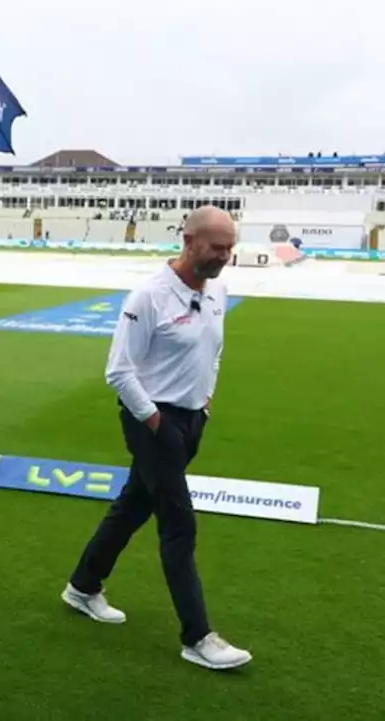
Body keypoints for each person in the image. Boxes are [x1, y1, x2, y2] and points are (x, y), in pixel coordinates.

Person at [60, 205, 252, 671]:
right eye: (216, 247)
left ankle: (82, 587)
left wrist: (205, 402)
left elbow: (214, 351)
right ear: (188, 242)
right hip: (152, 420)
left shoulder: (218, 291)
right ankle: (198, 635)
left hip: (190, 419)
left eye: (230, 248)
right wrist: (156, 425)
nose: (225, 256)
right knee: (178, 523)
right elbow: (119, 372)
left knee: (132, 507)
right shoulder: (148, 296)